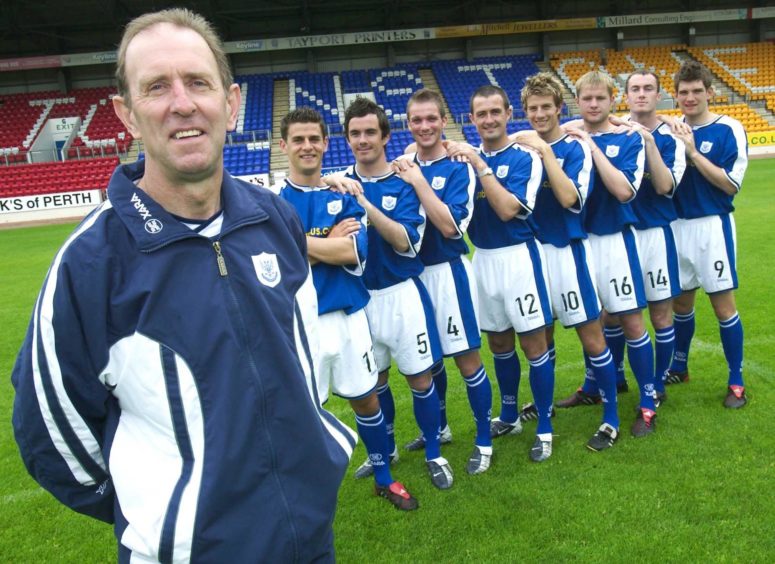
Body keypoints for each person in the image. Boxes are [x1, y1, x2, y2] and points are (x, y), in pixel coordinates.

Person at [11, 9, 356, 562]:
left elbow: (301, 360)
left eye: (198, 81)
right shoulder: (91, 263)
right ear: (126, 114)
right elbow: (49, 431)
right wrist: (164, 513)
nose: (182, 103)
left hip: (309, 539)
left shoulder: (274, 219)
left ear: (232, 101)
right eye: (156, 87)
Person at [278, 106, 418, 510]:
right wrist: (320, 247)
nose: (307, 147)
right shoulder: (272, 204)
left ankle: (384, 477)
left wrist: (296, 244)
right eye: (298, 140)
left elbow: (353, 250)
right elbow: (275, 261)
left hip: (349, 317)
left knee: (366, 398)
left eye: (314, 139)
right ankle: (306, 492)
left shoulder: (343, 195)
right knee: (305, 410)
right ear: (284, 146)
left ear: (325, 143)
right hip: (300, 324)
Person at [341, 97, 453, 489]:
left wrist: (363, 205)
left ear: (385, 135)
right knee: (376, 383)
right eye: (355, 133)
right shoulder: (339, 183)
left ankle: (435, 452)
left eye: (370, 131)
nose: (363, 139)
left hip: (402, 295)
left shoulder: (404, 181)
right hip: (360, 300)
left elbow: (407, 241)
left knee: (420, 379)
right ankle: (385, 450)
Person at [509, 72, 619, 453]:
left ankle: (611, 417)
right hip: (532, 256)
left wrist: (545, 151)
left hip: (568, 253)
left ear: (559, 108)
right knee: (541, 338)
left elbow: (571, 198)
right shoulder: (518, 149)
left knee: (591, 335)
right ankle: (543, 410)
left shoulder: (575, 149)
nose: (539, 114)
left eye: (546, 107)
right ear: (524, 112)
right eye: (532, 108)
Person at [446, 86, 557, 461]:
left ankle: (544, 426)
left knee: (533, 344)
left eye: (496, 111)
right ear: (471, 119)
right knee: (498, 344)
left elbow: (510, 209)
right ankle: (509, 414)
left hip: (520, 258)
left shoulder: (525, 156)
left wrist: (481, 166)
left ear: (509, 113)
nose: (489, 120)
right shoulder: (463, 159)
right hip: (483, 259)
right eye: (481, 114)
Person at [395, 88, 494, 473]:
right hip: (413, 280)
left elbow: (452, 228)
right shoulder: (400, 166)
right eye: (417, 120)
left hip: (449, 275)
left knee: (467, 359)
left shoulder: (458, 167)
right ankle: (440, 428)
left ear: (443, 121)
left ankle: (484, 439)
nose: (424, 126)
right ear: (408, 125)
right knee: (428, 361)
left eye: (431, 118)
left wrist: (419, 181)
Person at [558, 71, 657, 443]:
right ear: (578, 100)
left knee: (631, 321)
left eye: (601, 98)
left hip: (615, 241)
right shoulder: (567, 134)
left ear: (612, 100)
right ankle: (595, 386)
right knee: (592, 322)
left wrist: (592, 145)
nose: (594, 105)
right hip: (580, 243)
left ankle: (648, 404)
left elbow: (624, 191)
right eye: (587, 99)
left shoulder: (629, 137)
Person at [662, 61, 748, 408]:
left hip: (712, 226)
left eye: (698, 91)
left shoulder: (729, 128)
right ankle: (679, 366)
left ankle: (736, 379)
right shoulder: (669, 129)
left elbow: (730, 184)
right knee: (681, 302)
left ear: (710, 93)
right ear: (676, 95)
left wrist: (693, 153)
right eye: (684, 92)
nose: (691, 97)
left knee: (722, 304)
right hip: (675, 226)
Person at [615, 70, 686, 402]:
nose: (641, 94)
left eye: (648, 89)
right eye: (634, 89)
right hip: (620, 236)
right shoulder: (613, 131)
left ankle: (657, 384)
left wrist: (648, 141)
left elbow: (664, 186)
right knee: (611, 313)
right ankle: (611, 379)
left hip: (656, 236)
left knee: (660, 313)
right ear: (625, 96)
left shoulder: (672, 137)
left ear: (659, 96)